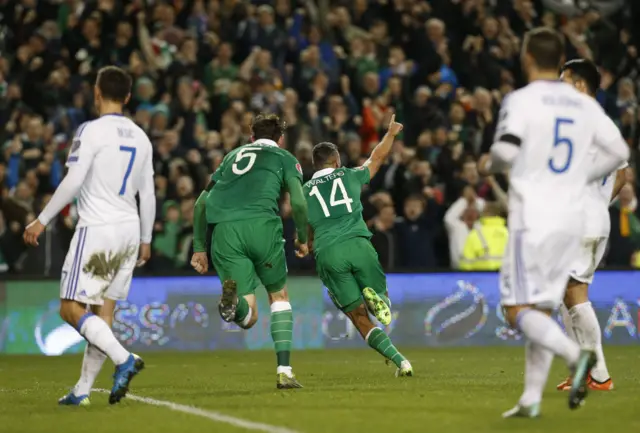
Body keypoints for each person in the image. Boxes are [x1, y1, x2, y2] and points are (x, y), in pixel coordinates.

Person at [477, 28, 630, 417]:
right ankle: (531, 399)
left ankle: (579, 358)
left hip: (537, 217)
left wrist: (489, 163)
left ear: (527, 57)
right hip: (575, 217)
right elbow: (619, 152)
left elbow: (506, 150)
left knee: (518, 310)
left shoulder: (523, 100)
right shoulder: (588, 108)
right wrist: (580, 179)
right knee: (546, 309)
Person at [23, 66, 155, 405]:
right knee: (102, 312)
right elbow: (149, 194)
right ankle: (82, 391)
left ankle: (124, 358)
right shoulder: (141, 137)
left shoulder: (91, 131)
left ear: (97, 93)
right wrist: (145, 239)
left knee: (70, 308)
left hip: (98, 228)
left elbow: (73, 180)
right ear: (127, 96)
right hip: (129, 230)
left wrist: (42, 219)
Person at [190, 113, 309, 389]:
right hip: (262, 227)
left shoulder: (232, 157)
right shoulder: (285, 158)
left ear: (252, 137)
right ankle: (284, 371)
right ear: (280, 138)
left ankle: (234, 302)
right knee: (279, 296)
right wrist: (302, 237)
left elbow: (200, 204)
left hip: (225, 233)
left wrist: (199, 248)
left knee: (247, 317)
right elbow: (299, 203)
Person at [304, 115, 413, 377]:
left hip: (329, 251)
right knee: (378, 298)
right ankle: (379, 297)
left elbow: (304, 224)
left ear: (315, 165)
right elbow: (377, 159)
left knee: (358, 317)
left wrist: (306, 243)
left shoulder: (305, 190)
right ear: (337, 161)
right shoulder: (349, 175)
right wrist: (390, 135)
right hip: (359, 244)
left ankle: (401, 361)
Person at [555, 59, 627, 392]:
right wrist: (599, 204)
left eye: (564, 81)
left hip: (581, 220)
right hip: (591, 217)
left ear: (581, 85)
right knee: (564, 294)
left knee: (573, 291)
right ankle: (582, 369)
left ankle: (599, 375)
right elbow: (622, 175)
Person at [459, 201, 508, 271]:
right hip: (506, 279)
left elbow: (465, 265)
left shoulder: (474, 235)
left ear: (485, 214)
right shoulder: (509, 234)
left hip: (481, 279)